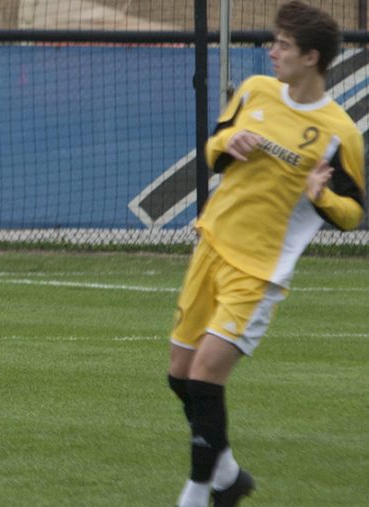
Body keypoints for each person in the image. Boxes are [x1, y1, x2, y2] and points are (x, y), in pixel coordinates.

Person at [167, 3, 365, 507]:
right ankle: (229, 476)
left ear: (311, 58)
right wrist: (231, 141)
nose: (271, 51)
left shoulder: (338, 132)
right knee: (179, 374)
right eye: (273, 43)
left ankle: (197, 496)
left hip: (259, 271)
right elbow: (212, 151)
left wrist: (321, 196)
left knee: (206, 374)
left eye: (282, 45)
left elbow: (353, 215)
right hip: (211, 244)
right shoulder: (254, 90)